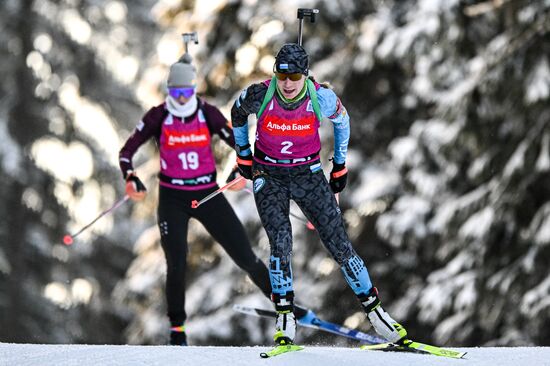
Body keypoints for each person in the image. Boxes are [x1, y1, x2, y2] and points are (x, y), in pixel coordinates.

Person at [118, 55, 308, 346]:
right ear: (169, 91)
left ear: (194, 89)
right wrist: (130, 176)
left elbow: (240, 144)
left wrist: (243, 168)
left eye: (186, 91)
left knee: (246, 256)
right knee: (176, 262)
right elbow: (126, 151)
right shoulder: (158, 116)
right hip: (172, 198)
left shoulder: (207, 113)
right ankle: (177, 329)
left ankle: (285, 307)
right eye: (176, 92)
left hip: (208, 194)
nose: (181, 98)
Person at [230, 43, 408, 346]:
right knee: (281, 239)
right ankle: (285, 317)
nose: (287, 84)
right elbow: (237, 112)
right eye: (282, 76)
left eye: (294, 76)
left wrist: (339, 164)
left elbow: (343, 121)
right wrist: (244, 155)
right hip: (268, 174)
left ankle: (377, 313)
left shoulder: (320, 97)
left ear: (305, 74)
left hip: (308, 174)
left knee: (339, 243)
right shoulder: (261, 93)